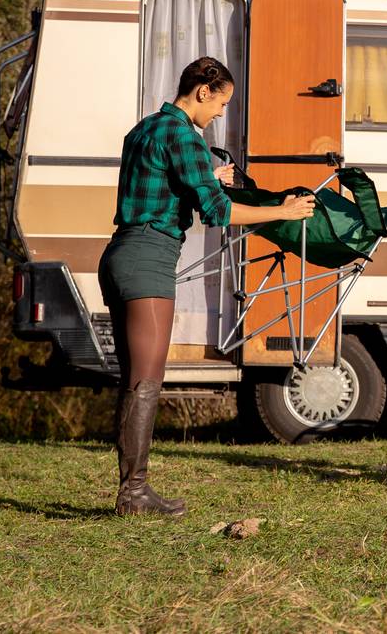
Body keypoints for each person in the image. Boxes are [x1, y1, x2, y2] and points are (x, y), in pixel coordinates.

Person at [100, 56, 315, 517]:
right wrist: (284, 210)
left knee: (132, 381)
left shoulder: (145, 129)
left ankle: (132, 491)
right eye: (220, 104)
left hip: (119, 255)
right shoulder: (185, 136)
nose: (220, 114)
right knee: (146, 383)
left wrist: (208, 178)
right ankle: (133, 494)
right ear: (202, 92)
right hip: (149, 260)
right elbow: (218, 214)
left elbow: (162, 184)